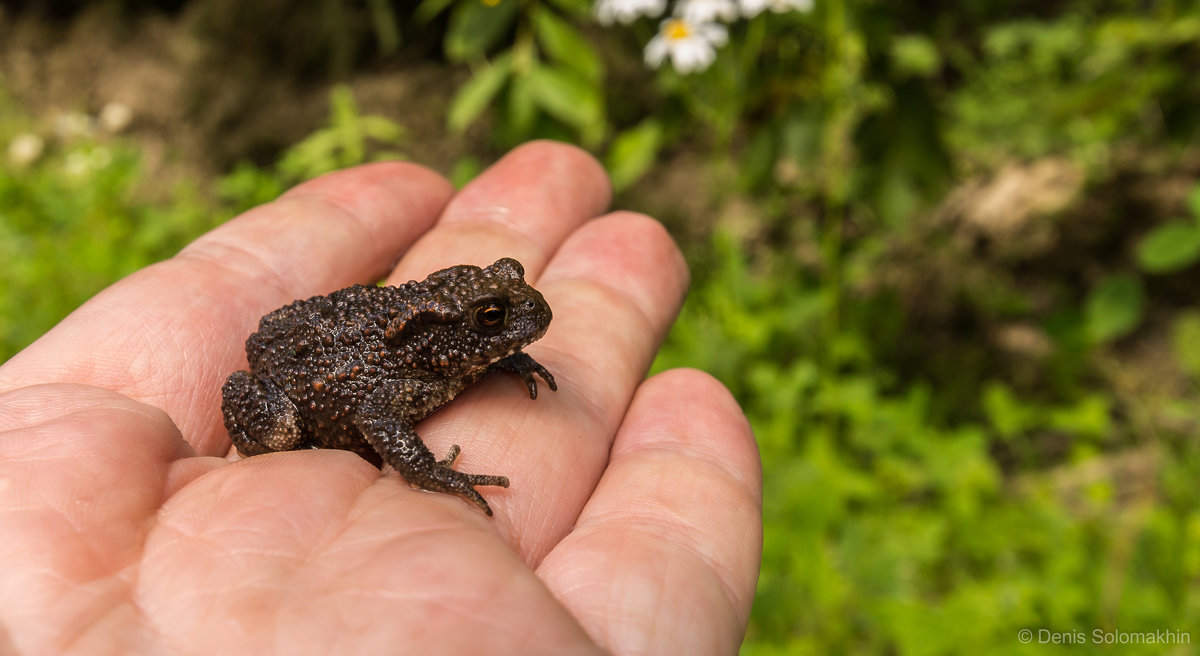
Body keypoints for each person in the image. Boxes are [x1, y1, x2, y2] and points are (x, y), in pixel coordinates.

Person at [0, 141, 762, 655]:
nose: (517, 320)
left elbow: (456, 344)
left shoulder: (449, 349)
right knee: (278, 417)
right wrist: (432, 473)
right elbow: (372, 412)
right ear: (456, 334)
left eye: (505, 306)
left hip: (377, 321)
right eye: (496, 320)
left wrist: (502, 353)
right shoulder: (418, 367)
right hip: (303, 373)